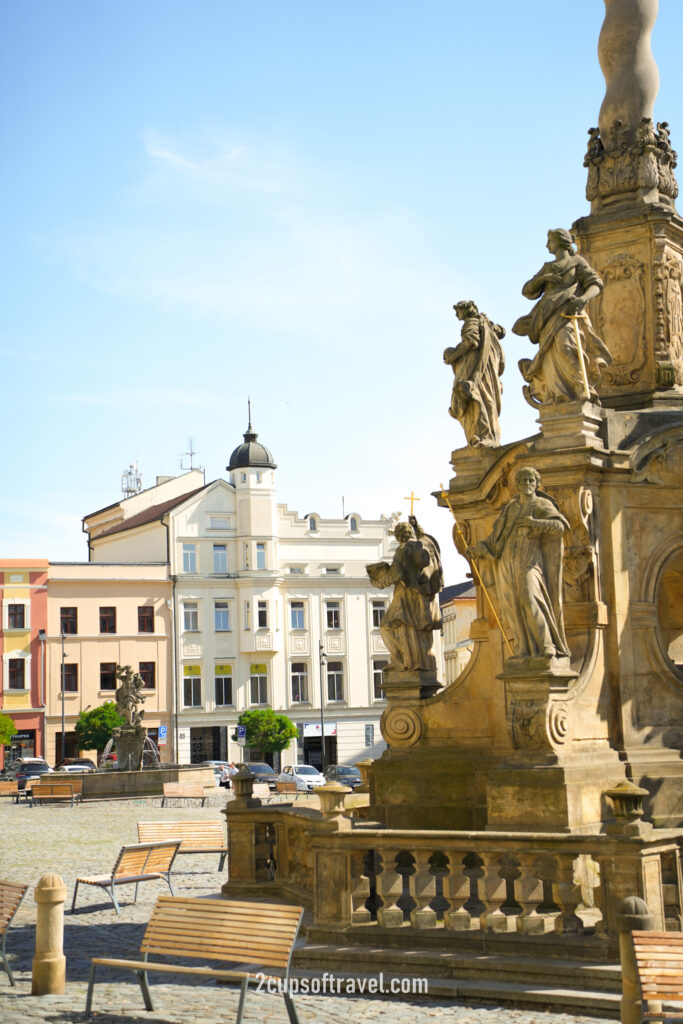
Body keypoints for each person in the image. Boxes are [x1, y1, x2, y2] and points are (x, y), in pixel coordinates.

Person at [469, 467, 570, 660]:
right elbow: (496, 538)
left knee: (529, 596)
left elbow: (561, 526)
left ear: (537, 483)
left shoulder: (541, 503)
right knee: (511, 606)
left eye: (531, 480)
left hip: (529, 557)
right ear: (517, 485)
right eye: (522, 480)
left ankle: (547, 644)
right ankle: (523, 647)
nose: (527, 484)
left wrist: (535, 523)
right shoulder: (511, 508)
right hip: (506, 560)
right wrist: (479, 549)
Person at [513, 229, 611, 406]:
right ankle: (559, 395)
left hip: (568, 314)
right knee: (550, 356)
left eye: (549, 241)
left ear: (560, 242)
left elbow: (596, 284)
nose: (547, 245)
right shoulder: (547, 267)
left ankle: (582, 388)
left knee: (566, 347)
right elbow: (527, 290)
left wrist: (583, 299)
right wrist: (543, 278)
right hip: (547, 317)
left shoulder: (576, 262)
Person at [366, 521, 442, 672]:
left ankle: (400, 661)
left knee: (388, 626)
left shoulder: (403, 550)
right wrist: (418, 527)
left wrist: (379, 577)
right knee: (417, 630)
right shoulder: (425, 545)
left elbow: (396, 573)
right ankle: (423, 663)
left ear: (398, 537)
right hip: (422, 598)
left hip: (405, 596)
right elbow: (431, 544)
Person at [444, 300, 506, 447]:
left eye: (458, 312)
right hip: (487, 369)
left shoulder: (471, 323)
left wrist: (452, 355)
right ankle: (487, 434)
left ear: (464, 311)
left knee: (475, 398)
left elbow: (471, 342)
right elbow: (501, 331)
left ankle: (482, 435)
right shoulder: (485, 323)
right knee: (485, 398)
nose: (456, 315)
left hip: (475, 368)